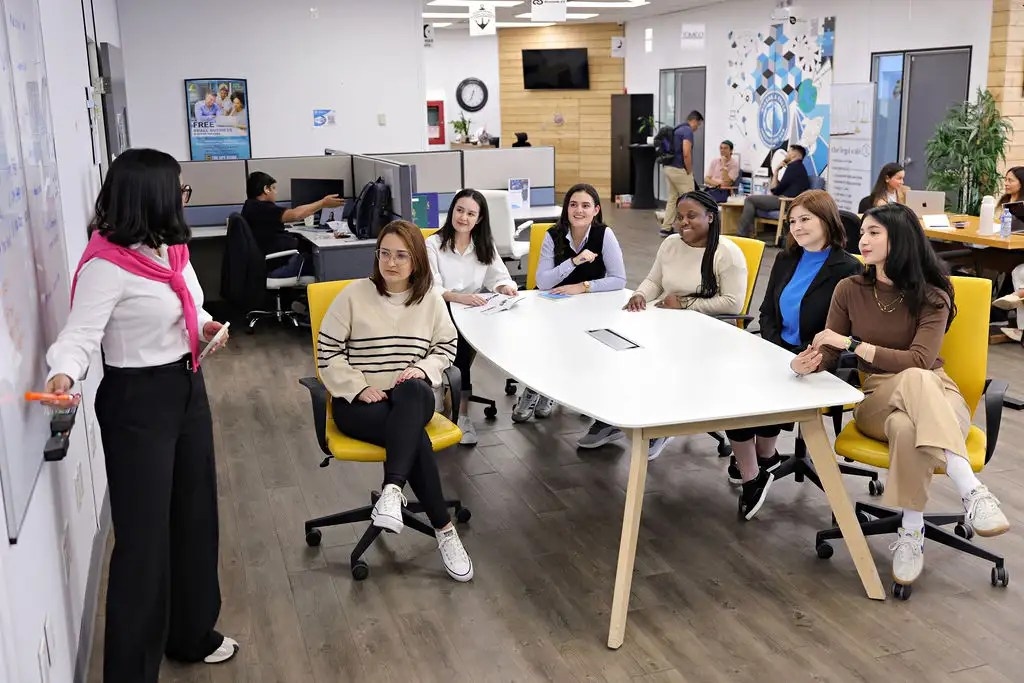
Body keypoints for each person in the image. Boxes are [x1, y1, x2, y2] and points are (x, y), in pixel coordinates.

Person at [43, 148, 237, 682]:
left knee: (196, 518)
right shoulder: (105, 265)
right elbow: (79, 337)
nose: (183, 198)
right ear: (149, 197)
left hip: (186, 387)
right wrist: (63, 375)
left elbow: (189, 306)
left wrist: (205, 327)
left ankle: (191, 634)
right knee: (144, 543)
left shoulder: (170, 249)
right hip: (138, 403)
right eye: (178, 190)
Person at [796, 203, 1009, 587]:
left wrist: (852, 344)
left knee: (909, 420)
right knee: (913, 381)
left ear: (902, 239)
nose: (863, 239)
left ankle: (911, 531)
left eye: (874, 232)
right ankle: (971, 491)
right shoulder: (850, 289)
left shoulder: (934, 295)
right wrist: (810, 362)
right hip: (876, 396)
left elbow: (920, 359)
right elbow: (830, 349)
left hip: (938, 396)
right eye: (863, 232)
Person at [317, 220, 474, 582]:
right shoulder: (354, 295)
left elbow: (446, 348)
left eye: (402, 255)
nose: (392, 262)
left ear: (417, 260)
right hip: (360, 405)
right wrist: (356, 387)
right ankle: (444, 531)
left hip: (410, 397)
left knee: (415, 389)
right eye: (385, 253)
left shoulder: (432, 299)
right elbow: (328, 351)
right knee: (413, 439)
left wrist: (422, 368)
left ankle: (392, 492)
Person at [723, 190, 861, 519]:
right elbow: (767, 312)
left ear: (827, 220)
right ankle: (756, 469)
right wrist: (774, 350)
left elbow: (848, 332)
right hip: (777, 350)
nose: (796, 227)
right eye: (792, 221)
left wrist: (803, 358)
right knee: (728, 384)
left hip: (820, 362)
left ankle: (755, 466)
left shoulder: (848, 268)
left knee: (755, 393)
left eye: (805, 220)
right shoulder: (786, 259)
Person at [579, 190, 746, 460]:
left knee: (648, 355)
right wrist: (641, 294)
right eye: (679, 217)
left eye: (692, 216)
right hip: (665, 320)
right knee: (613, 344)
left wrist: (686, 304)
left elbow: (732, 303)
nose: (683, 223)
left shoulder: (727, 254)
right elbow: (654, 280)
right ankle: (613, 418)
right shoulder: (670, 244)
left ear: (711, 217)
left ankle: (662, 421)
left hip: (706, 331)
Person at [513, 183, 626, 423]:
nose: (578, 211)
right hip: (550, 302)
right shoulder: (553, 235)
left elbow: (619, 279)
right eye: (573, 205)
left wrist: (583, 287)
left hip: (587, 303)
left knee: (583, 341)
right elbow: (542, 282)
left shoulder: (604, 235)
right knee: (547, 338)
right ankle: (535, 388)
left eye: (586, 206)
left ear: (596, 210)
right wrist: (574, 262)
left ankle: (554, 390)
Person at [427, 189, 518, 445]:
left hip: (474, 312)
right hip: (441, 310)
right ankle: (461, 413)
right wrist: (458, 298)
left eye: (470, 213)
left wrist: (504, 288)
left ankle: (456, 406)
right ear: (452, 211)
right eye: (459, 210)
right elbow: (431, 286)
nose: (463, 217)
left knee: (466, 347)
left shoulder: (483, 246)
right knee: (461, 350)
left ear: (478, 219)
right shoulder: (433, 245)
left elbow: (498, 277)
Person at [241, 171, 343, 278]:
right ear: (266, 189)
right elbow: (295, 215)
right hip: (280, 265)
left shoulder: (250, 206)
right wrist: (323, 203)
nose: (276, 192)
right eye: (274, 188)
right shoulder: (262, 208)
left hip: (272, 262)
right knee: (329, 261)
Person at [738, 144, 810, 237]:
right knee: (753, 204)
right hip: (786, 200)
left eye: (788, 152)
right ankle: (749, 234)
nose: (786, 155)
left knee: (749, 200)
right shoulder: (799, 168)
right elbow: (776, 189)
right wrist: (776, 171)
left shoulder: (793, 168)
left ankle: (741, 235)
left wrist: (776, 172)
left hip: (786, 201)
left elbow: (775, 191)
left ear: (794, 154)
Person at [659, 110, 704, 237]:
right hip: (679, 169)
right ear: (694, 121)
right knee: (690, 199)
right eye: (698, 125)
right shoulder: (687, 131)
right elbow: (686, 152)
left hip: (668, 167)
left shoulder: (677, 129)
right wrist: (689, 170)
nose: (697, 128)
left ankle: (666, 228)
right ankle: (691, 227)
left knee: (673, 198)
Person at [992, 166, 1024, 340]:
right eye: (1005, 179)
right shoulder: (1005, 200)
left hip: (1017, 249)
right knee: (1017, 270)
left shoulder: (1022, 205)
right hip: (1003, 244)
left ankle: (1015, 297)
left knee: (1018, 270)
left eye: (1010, 180)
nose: (1006, 183)